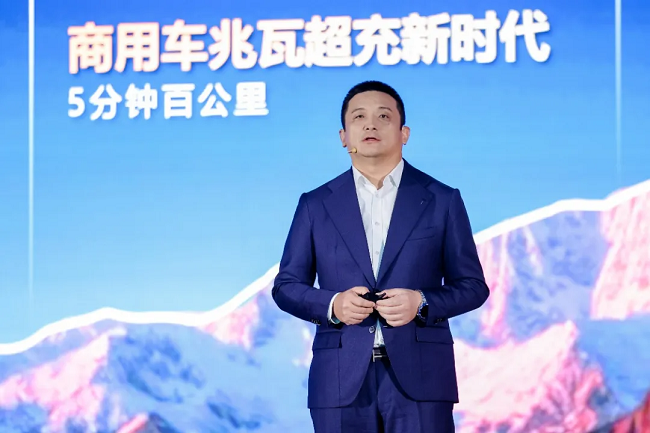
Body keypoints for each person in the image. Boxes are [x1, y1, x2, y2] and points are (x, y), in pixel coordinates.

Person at [272, 80, 490, 432]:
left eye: (383, 116)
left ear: (404, 133)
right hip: (339, 379)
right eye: (359, 117)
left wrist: (421, 302)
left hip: (422, 379)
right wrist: (333, 305)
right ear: (344, 137)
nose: (371, 124)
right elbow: (286, 286)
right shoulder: (315, 204)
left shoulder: (442, 199)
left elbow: (472, 286)